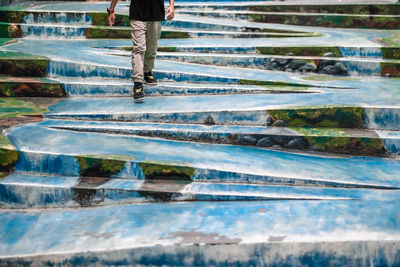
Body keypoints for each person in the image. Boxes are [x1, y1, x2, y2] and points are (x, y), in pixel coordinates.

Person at [107, 0, 175, 102]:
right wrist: (111, 10)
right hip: (137, 15)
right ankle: (138, 82)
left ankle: (147, 71)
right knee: (139, 48)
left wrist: (171, 6)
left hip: (155, 15)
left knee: (151, 49)